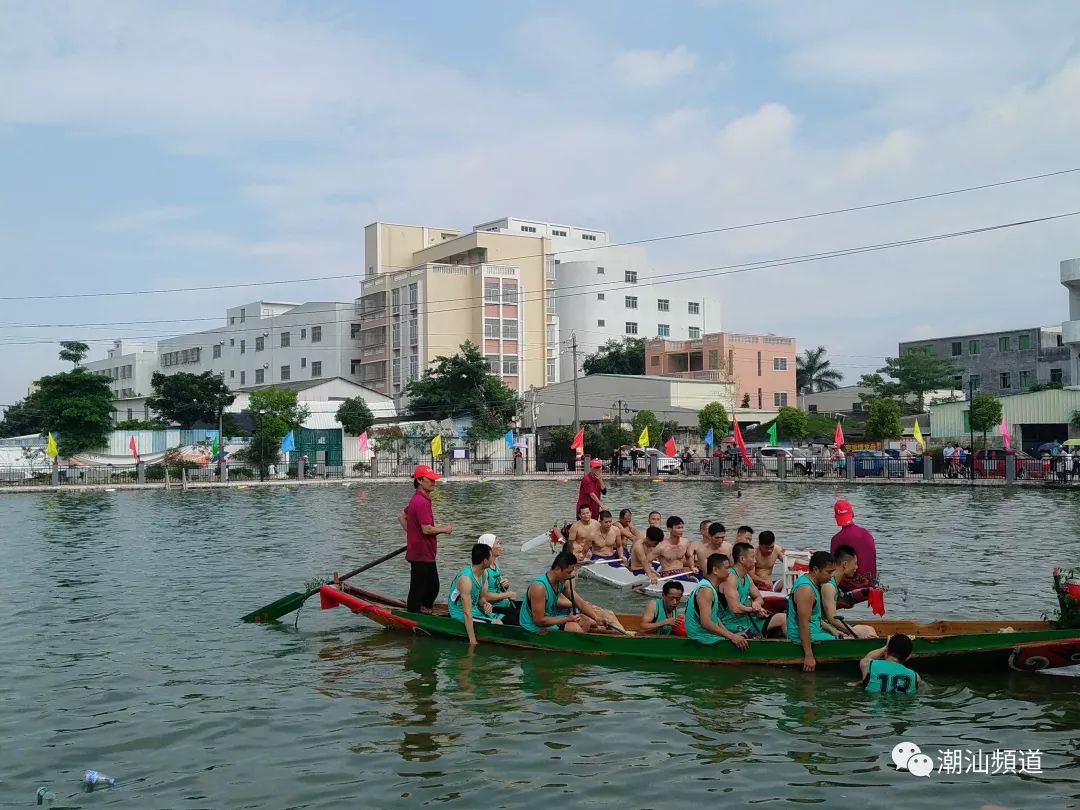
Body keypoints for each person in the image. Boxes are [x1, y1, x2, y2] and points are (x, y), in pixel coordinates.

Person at [519, 551, 624, 633]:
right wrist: (567, 619)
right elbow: (539, 620)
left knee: (589, 621)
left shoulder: (562, 582)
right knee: (576, 628)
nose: (570, 576)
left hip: (551, 617)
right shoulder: (539, 588)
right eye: (568, 572)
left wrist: (596, 618)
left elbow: (580, 603)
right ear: (557, 569)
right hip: (533, 625)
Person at [787, 551, 851, 672]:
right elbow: (803, 623)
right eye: (828, 572)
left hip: (815, 632)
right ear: (816, 569)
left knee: (845, 637)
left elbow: (814, 617)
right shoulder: (806, 589)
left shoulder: (814, 584)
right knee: (851, 643)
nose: (831, 576)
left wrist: (833, 630)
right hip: (804, 638)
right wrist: (809, 656)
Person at [401, 464, 453, 614]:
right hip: (421, 553)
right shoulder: (421, 501)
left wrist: (412, 534)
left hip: (424, 551)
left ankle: (422, 609)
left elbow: (402, 517)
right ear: (420, 480)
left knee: (431, 586)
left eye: (434, 479)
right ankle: (415, 614)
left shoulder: (419, 499)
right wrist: (445, 529)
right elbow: (427, 529)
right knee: (422, 588)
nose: (433, 482)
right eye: (430, 480)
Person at [683, 553, 749, 650]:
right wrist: (732, 637)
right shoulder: (706, 590)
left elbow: (715, 618)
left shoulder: (710, 587)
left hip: (707, 635)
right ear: (715, 570)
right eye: (726, 568)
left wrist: (731, 634)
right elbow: (706, 623)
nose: (729, 572)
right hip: (701, 638)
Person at [721, 542, 786, 638]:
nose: (755, 561)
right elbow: (735, 608)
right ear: (742, 559)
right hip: (731, 623)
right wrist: (754, 609)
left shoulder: (747, 577)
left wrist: (756, 603)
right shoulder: (730, 577)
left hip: (749, 619)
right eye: (753, 557)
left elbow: (759, 597)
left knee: (784, 618)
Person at [448, 543, 501, 645]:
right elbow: (467, 613)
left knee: (502, 618)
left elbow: (480, 599)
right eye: (491, 556)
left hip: (474, 609)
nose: (492, 558)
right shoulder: (466, 580)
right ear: (485, 561)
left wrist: (485, 603)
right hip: (459, 613)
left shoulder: (483, 574)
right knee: (498, 624)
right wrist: (473, 641)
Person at [821, 545, 877, 639]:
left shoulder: (834, 584)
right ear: (845, 564)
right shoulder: (829, 586)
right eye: (855, 564)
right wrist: (855, 632)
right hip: (824, 629)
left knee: (869, 630)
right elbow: (832, 619)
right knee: (869, 633)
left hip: (828, 626)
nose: (856, 567)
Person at [829, 499, 878, 589]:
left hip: (849, 586)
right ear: (852, 514)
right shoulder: (867, 533)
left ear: (836, 517)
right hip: (871, 584)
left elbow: (834, 567)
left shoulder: (836, 539)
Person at [477, 533, 518, 624]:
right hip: (492, 608)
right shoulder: (484, 569)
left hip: (504, 603)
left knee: (529, 608)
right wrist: (507, 595)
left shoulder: (495, 564)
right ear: (489, 547)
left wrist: (505, 585)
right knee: (521, 617)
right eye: (498, 543)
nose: (500, 546)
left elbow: (497, 586)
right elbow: (484, 596)